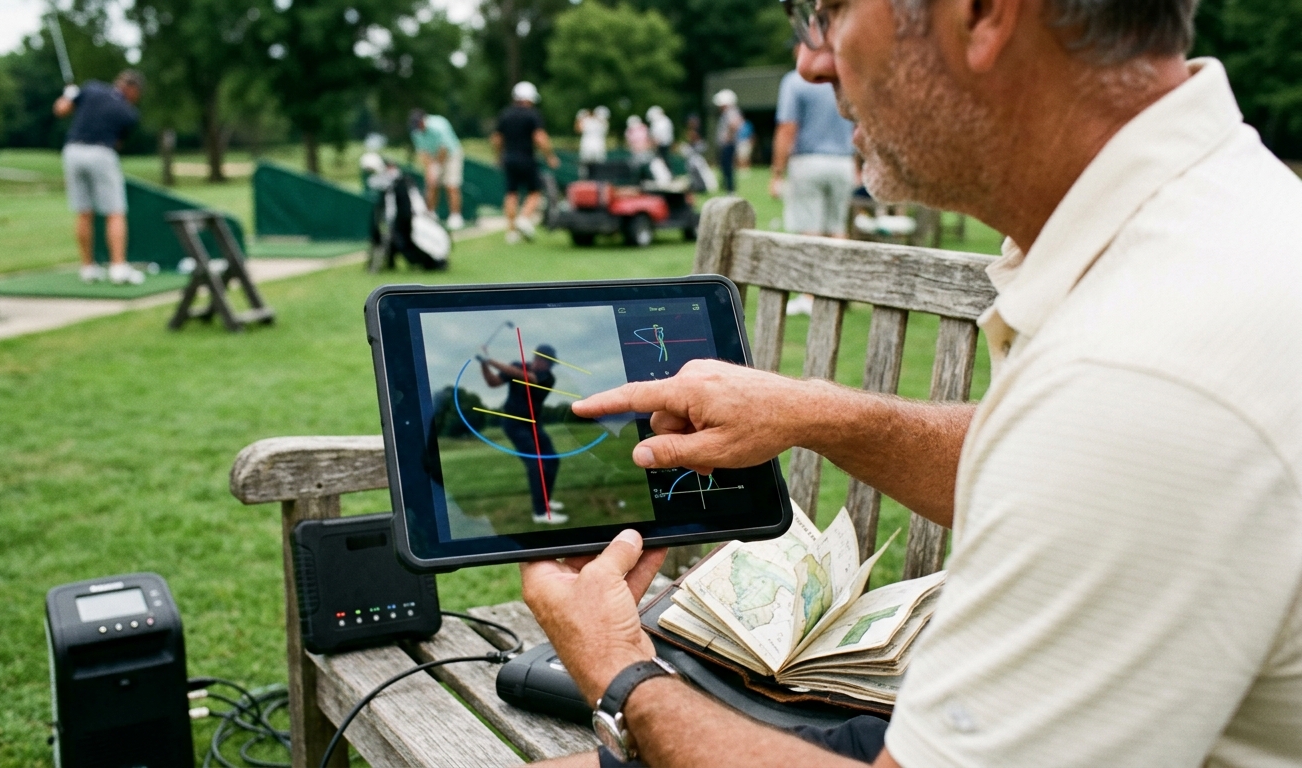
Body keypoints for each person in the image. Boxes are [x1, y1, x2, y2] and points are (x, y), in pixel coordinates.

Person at [520, 1, 1302, 767]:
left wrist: (619, 672)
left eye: (828, 10)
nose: (810, 59)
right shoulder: (1216, 224)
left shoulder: (1138, 374)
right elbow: (1051, 463)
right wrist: (812, 414)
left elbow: (1108, 438)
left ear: (984, 14)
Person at [771, 43, 859, 316]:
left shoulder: (795, 80)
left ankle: (810, 297)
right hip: (843, 162)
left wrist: (777, 172)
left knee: (810, 231)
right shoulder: (844, 76)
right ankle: (838, 294)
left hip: (808, 161)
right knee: (837, 231)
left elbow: (787, 127)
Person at [53, 70, 144, 285]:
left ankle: (88, 268)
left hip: (72, 152)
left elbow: (60, 109)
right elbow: (118, 143)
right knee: (115, 212)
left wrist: (69, 95)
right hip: (101, 153)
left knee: (83, 211)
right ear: (132, 90)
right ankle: (118, 267)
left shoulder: (91, 88)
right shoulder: (129, 113)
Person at [478, 344, 569, 524]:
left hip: (534, 424)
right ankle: (540, 513)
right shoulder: (516, 366)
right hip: (513, 424)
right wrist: (483, 364)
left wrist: (489, 359)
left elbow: (525, 377)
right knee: (535, 464)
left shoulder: (548, 378)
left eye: (550, 364)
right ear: (538, 358)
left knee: (552, 460)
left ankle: (545, 502)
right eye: (545, 361)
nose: (547, 366)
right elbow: (493, 383)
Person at [491, 81, 560, 245]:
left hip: (509, 158)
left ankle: (511, 232)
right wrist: (550, 156)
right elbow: (540, 137)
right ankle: (524, 218)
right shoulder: (532, 114)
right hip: (526, 158)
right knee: (535, 191)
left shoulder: (505, 114)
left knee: (511, 193)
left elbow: (496, 139)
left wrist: (499, 156)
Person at [408, 108, 466, 231]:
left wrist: (436, 166)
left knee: (451, 185)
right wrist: (430, 168)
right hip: (433, 158)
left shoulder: (439, 125)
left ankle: (456, 216)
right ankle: (431, 215)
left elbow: (444, 149)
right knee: (431, 185)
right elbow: (422, 152)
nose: (418, 127)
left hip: (451, 155)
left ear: (424, 120)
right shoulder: (415, 132)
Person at [712, 89, 743, 192]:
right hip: (727, 144)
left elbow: (735, 124)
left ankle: (730, 189)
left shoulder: (730, 112)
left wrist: (728, 136)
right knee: (726, 167)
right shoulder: (730, 112)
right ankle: (728, 187)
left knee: (728, 167)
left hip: (728, 144)